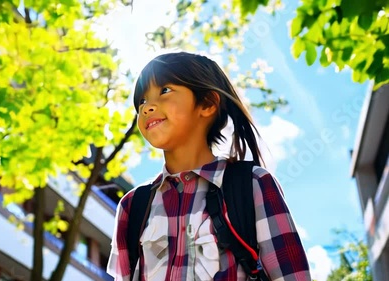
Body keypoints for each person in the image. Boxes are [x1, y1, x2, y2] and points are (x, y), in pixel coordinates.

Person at [107, 52, 311, 281]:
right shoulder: (132, 206)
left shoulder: (252, 185)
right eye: (142, 101)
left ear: (207, 104)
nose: (146, 108)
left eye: (164, 91)